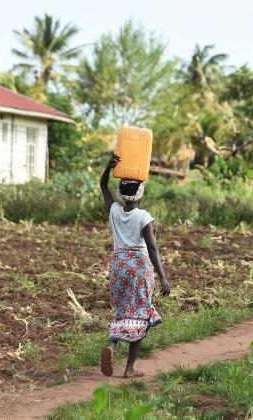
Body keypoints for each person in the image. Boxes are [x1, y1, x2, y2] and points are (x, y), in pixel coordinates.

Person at [99, 152, 170, 378]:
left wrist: (108, 168)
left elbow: (103, 186)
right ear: (141, 192)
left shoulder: (114, 211)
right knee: (142, 314)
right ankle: (129, 368)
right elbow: (152, 248)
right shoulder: (143, 217)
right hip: (139, 267)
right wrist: (163, 277)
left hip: (118, 266)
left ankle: (111, 345)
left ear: (121, 192)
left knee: (122, 312)